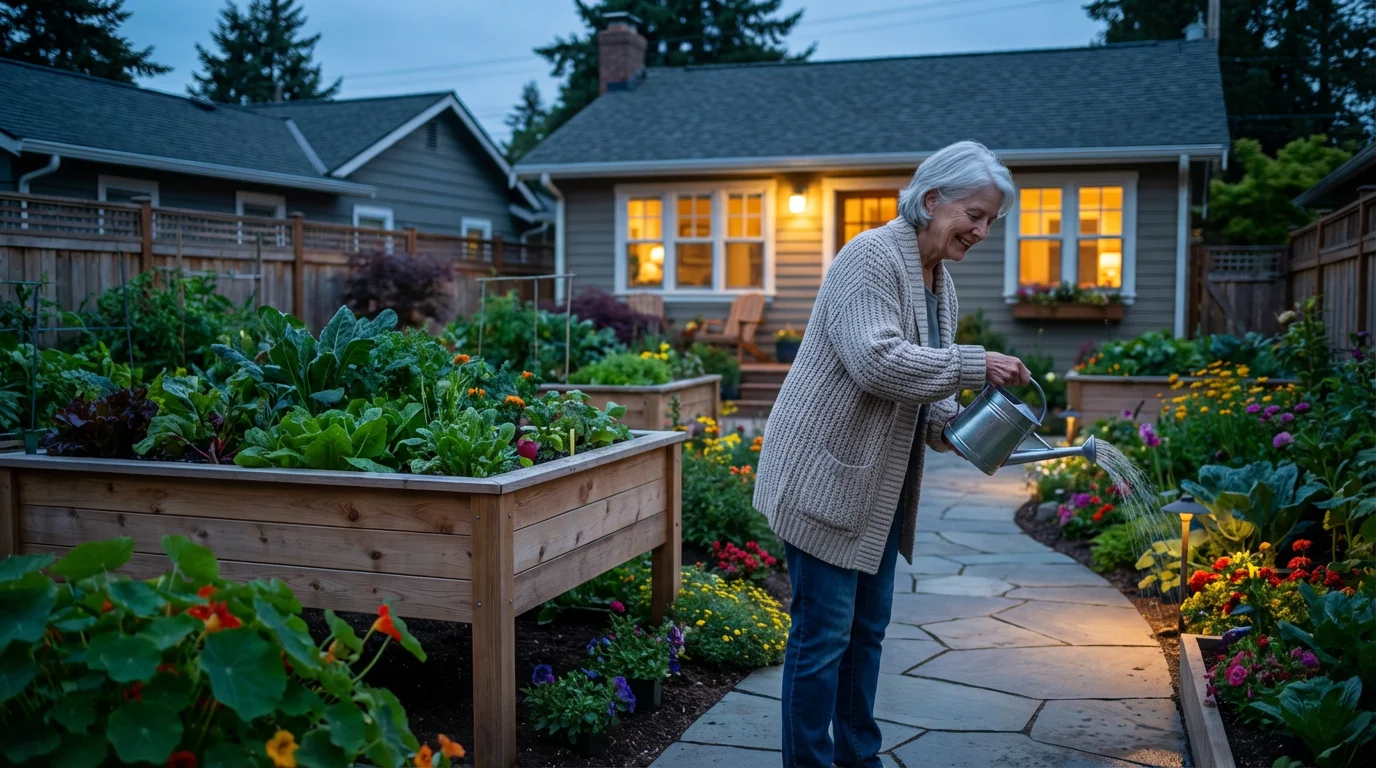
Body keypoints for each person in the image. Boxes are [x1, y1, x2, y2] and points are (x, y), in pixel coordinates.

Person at [753, 140, 1030, 767]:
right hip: (823, 476)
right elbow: (877, 362)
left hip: (875, 490)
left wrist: (961, 426)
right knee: (822, 637)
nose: (982, 231)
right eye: (975, 215)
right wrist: (974, 363)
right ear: (932, 200)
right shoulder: (870, 257)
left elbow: (924, 396)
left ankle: (859, 758)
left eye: (990, 221)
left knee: (866, 633)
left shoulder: (942, 286)